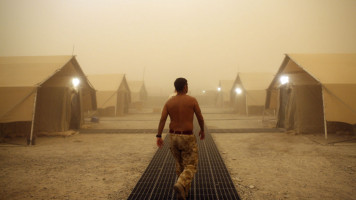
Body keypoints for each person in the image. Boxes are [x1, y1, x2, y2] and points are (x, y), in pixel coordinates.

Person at [156, 78, 205, 200]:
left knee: (180, 165)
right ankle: (181, 183)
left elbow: (162, 119)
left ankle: (183, 193)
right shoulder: (192, 100)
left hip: (173, 137)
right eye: (187, 85)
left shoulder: (169, 102)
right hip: (187, 137)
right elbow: (200, 117)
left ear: (175, 88)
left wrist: (159, 136)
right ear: (185, 87)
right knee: (191, 165)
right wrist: (202, 130)